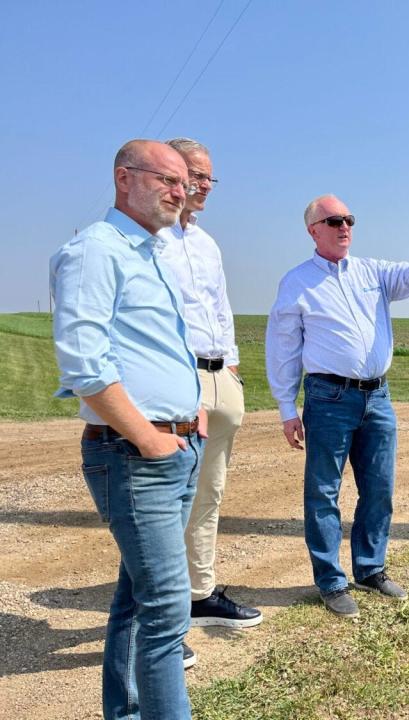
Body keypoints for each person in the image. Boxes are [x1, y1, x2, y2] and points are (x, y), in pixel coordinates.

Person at [265, 194, 409, 618]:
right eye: (334, 220)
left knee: (379, 487)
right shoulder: (296, 282)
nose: (344, 227)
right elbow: (283, 348)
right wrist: (286, 406)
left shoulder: (373, 272)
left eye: (349, 219)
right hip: (328, 397)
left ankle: (370, 568)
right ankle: (332, 581)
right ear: (313, 230)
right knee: (323, 491)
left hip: (377, 396)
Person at [50, 139, 205, 719]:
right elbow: (85, 366)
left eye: (185, 183)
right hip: (135, 455)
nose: (180, 191)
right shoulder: (96, 251)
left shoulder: (149, 254)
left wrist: (193, 416)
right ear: (124, 178)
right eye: (167, 179)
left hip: (175, 445)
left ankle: (127, 713)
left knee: (135, 601)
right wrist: (149, 436)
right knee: (167, 610)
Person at [157, 138, 262, 647]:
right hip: (179, 377)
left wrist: (233, 367)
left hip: (221, 377)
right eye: (194, 175)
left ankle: (199, 595)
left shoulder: (206, 242)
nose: (202, 186)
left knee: (210, 492)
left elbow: (221, 306)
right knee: (168, 496)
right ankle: (163, 618)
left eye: (208, 178)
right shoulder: (148, 239)